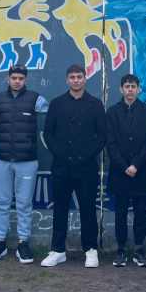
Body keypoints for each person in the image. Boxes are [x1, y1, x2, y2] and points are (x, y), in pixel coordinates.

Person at [41, 65, 106, 268]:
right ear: (67, 80)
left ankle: (90, 249)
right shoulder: (57, 103)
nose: (76, 80)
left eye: (79, 76)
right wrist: (59, 153)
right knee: (60, 209)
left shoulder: (95, 104)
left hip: (86, 166)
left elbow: (102, 135)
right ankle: (57, 250)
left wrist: (88, 154)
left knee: (88, 209)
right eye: (72, 77)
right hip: (61, 165)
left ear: (85, 79)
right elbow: (48, 132)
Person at [0, 65, 48, 265]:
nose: (17, 81)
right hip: (2, 160)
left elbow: (54, 117)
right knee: (2, 202)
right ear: (8, 79)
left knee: (24, 203)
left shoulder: (37, 100)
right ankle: (0, 242)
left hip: (27, 161)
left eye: (21, 78)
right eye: (14, 78)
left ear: (26, 80)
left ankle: (23, 243)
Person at [106, 74, 146, 267]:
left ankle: (139, 248)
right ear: (121, 89)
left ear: (138, 89)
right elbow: (110, 142)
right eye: (127, 86)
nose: (130, 89)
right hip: (119, 171)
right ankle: (121, 249)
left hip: (141, 170)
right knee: (120, 212)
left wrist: (136, 164)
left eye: (133, 86)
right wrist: (124, 165)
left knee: (140, 211)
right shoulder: (112, 112)